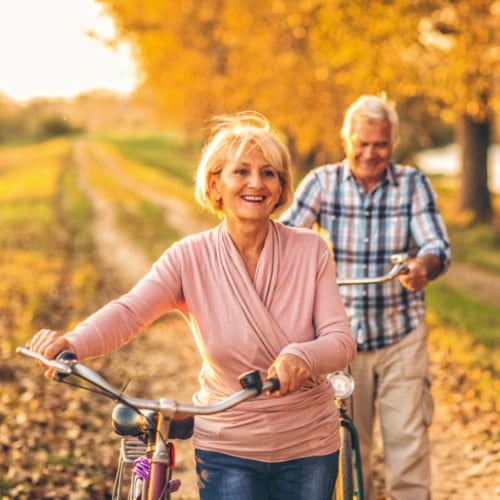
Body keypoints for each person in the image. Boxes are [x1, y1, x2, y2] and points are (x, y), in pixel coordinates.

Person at [28, 111, 356, 500]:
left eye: (270, 173)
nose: (257, 183)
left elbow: (340, 340)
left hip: (308, 445)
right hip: (227, 446)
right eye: (242, 172)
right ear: (215, 184)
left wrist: (301, 355)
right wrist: (72, 342)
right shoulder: (188, 257)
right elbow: (131, 311)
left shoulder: (310, 249)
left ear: (282, 186)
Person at [280, 95, 451, 500]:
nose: (370, 153)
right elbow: (283, 238)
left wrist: (424, 265)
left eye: (381, 145)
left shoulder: (413, 184)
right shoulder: (322, 183)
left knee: (407, 446)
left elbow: (437, 245)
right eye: (362, 143)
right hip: (340, 341)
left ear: (393, 143)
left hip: (400, 337)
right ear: (347, 140)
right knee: (347, 452)